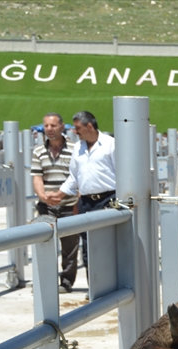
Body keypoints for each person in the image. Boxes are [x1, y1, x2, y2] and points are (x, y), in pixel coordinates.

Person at [58, 111, 116, 271]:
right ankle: (94, 290)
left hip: (108, 200)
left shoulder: (110, 144)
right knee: (88, 247)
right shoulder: (77, 147)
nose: (75, 131)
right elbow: (74, 176)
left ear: (89, 126)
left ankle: (110, 287)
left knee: (107, 244)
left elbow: (121, 172)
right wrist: (59, 194)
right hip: (86, 202)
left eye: (78, 128)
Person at [31, 113, 80, 292]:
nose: (49, 129)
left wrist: (76, 202)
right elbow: (37, 176)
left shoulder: (75, 149)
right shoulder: (38, 151)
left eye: (53, 126)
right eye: (46, 126)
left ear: (62, 127)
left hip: (69, 204)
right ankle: (45, 283)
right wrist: (43, 196)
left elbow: (79, 177)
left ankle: (66, 282)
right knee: (44, 244)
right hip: (47, 205)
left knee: (70, 247)